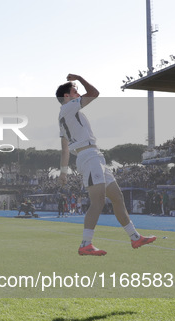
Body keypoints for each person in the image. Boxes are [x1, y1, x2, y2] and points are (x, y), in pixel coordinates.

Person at [56, 74, 156, 256]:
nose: (78, 93)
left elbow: (64, 149)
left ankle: (135, 237)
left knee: (117, 197)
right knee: (98, 201)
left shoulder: (66, 116)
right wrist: (79, 77)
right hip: (89, 156)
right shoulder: (68, 108)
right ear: (66, 97)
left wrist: (63, 172)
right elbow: (94, 92)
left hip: (94, 156)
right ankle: (85, 243)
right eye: (74, 90)